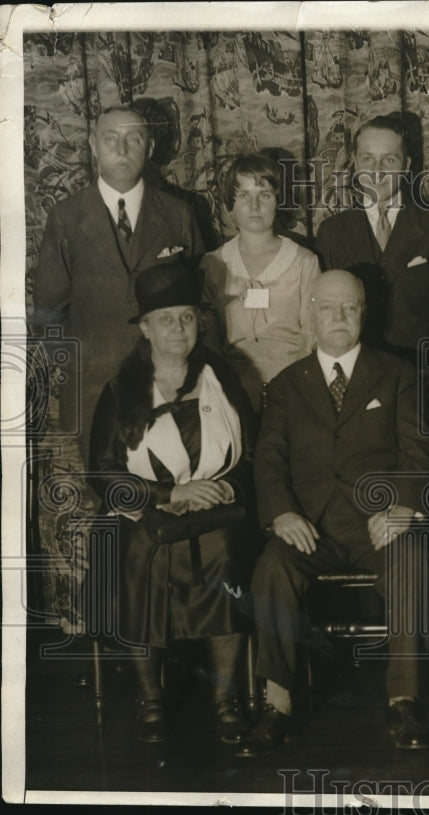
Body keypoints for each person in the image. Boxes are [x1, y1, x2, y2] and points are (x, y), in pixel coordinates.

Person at [240, 270, 429, 756]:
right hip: (310, 527)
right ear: (310, 312)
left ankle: (404, 701)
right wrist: (282, 514)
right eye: (328, 307)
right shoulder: (285, 385)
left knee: (410, 563)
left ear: (364, 313)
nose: (339, 317)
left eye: (350, 307)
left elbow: (418, 451)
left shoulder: (398, 374)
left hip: (378, 524)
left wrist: (403, 506)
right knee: (272, 567)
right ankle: (276, 704)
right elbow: (269, 459)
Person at [87, 260, 257, 745]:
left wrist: (226, 487)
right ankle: (151, 696)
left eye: (186, 316)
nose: (178, 329)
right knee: (144, 547)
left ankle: (226, 699)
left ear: (199, 322)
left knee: (225, 546)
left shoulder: (223, 381)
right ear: (145, 328)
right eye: (166, 319)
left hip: (214, 513)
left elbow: (254, 455)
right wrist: (168, 494)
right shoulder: (121, 391)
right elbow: (102, 472)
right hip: (143, 513)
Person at [33, 105, 205, 465]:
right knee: (110, 495)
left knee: (177, 493)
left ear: (151, 148)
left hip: (169, 383)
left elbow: (200, 297)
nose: (122, 150)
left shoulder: (178, 213)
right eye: (111, 139)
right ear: (94, 146)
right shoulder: (65, 218)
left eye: (134, 139)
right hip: (95, 388)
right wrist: (78, 367)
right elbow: (49, 310)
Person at [314, 114, 429, 362]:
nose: (377, 171)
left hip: (420, 374)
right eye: (368, 160)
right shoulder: (332, 231)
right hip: (356, 375)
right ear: (355, 164)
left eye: (389, 160)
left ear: (406, 166)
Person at [201, 153, 320, 411]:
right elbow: (209, 338)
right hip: (231, 389)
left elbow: (312, 332)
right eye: (243, 196)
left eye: (264, 195)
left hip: (292, 386)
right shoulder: (213, 264)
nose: (254, 206)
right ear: (229, 206)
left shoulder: (304, 261)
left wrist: (293, 387)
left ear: (278, 201)